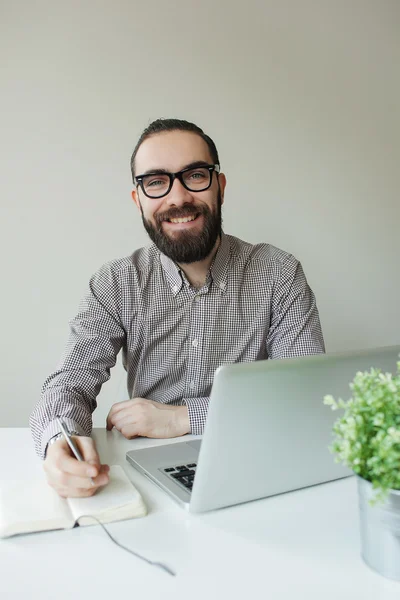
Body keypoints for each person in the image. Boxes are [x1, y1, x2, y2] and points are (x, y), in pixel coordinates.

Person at [30, 118, 325, 498]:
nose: (178, 197)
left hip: (260, 461)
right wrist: (61, 442)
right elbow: (69, 384)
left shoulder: (279, 273)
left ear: (219, 186)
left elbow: (303, 394)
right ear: (139, 199)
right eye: (156, 182)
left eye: (195, 175)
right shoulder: (115, 283)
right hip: (144, 473)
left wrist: (182, 418)